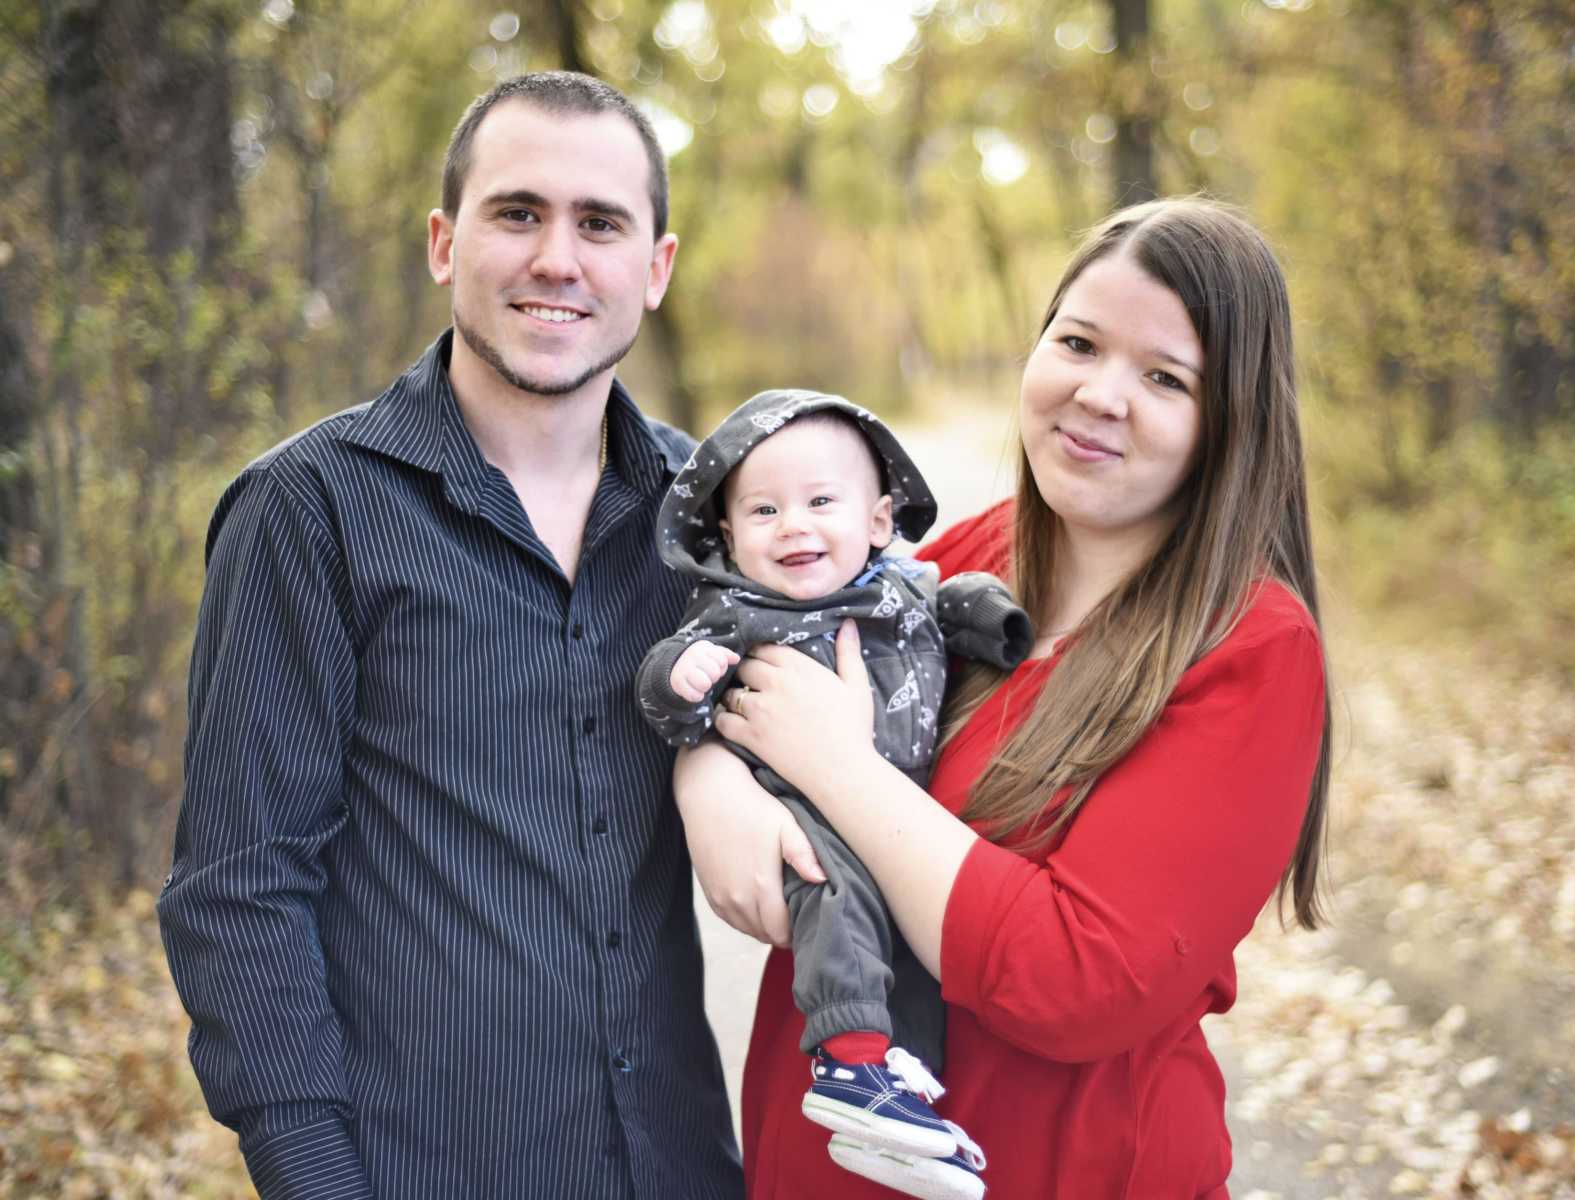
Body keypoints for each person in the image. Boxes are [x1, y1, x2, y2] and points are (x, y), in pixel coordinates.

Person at [157, 72, 743, 1199]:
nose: (557, 260)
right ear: (444, 243)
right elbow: (238, 886)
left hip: (676, 1162)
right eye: (517, 213)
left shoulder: (709, 516)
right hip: (418, 1167)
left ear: (656, 269)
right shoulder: (309, 510)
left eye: (601, 223)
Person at [677, 197, 1332, 1199]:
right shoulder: (965, 558)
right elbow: (759, 659)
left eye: (1164, 377)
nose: (1100, 394)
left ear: (1229, 421)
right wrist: (708, 779)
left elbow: (1077, 979)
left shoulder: (1251, 648)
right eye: (1078, 342)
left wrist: (838, 771)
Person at [634, 391, 1031, 1197]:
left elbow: (951, 602)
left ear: (879, 522)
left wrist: (999, 623)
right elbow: (661, 685)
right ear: (728, 536)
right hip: (805, 820)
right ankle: (849, 1067)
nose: (794, 526)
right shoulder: (739, 614)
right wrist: (683, 679)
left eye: (821, 502)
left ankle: (893, 1096)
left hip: (896, 822)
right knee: (836, 895)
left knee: (919, 959)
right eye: (764, 510)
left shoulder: (896, 586)